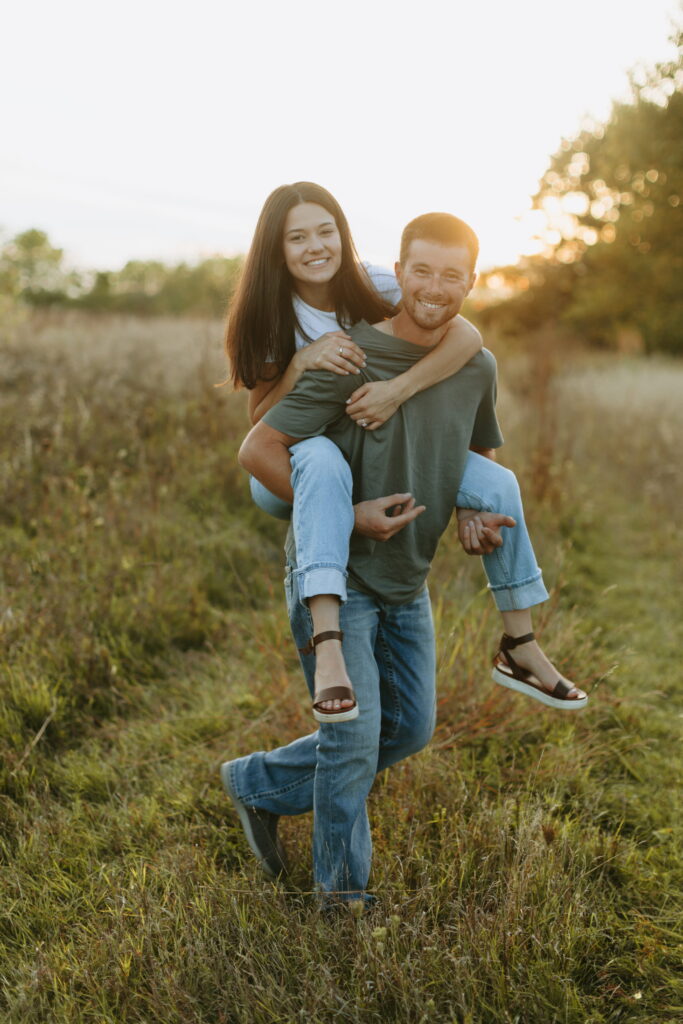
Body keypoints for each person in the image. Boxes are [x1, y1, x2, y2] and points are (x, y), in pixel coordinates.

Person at [222, 212, 586, 906]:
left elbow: (473, 456)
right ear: (400, 270)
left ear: (472, 281)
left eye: (452, 275)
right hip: (336, 559)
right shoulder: (347, 355)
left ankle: (258, 783)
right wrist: (344, 511)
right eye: (420, 270)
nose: (433, 287)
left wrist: (475, 512)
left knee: (408, 728)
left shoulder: (473, 363)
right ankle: (341, 902)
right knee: (354, 737)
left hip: (406, 573)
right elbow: (257, 445)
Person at [224, 182, 585, 719]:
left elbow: (464, 334)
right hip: (296, 460)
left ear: (343, 236)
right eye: (297, 237)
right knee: (322, 463)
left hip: (364, 433)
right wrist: (302, 363)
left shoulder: (375, 280)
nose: (315, 246)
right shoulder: (269, 315)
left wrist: (399, 390)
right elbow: (260, 423)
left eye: (326, 231)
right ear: (276, 249)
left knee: (498, 484)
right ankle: (328, 641)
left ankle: (520, 644)